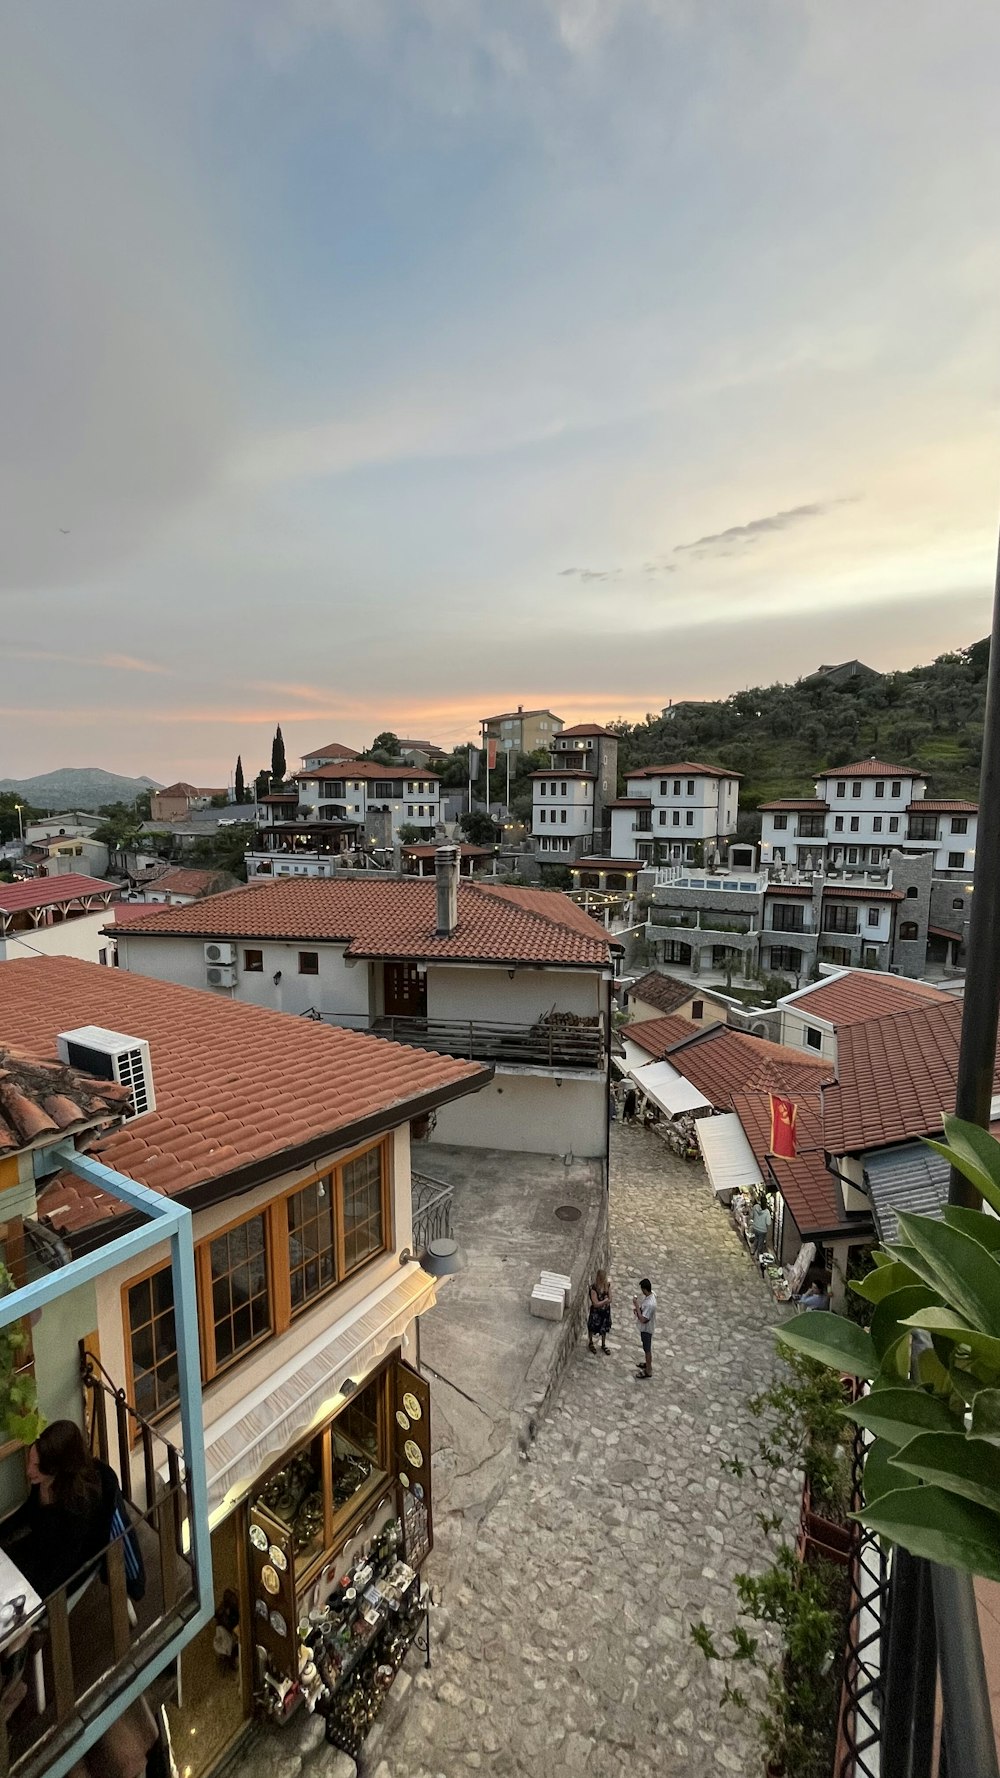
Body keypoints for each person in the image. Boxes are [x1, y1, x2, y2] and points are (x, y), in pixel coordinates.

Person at [1, 1420, 120, 1599]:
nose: (28, 1471)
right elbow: (28, 1512)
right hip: (41, 1548)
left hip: (60, 1569)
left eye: (37, 1467)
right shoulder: (44, 1480)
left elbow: (65, 1566)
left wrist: (37, 1604)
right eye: (30, 1463)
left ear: (57, 1466)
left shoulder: (78, 1507)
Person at [633, 1278, 656, 1379]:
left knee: (647, 1349)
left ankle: (648, 1370)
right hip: (645, 1328)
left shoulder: (650, 1304)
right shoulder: (651, 1296)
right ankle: (647, 1364)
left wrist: (637, 1306)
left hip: (647, 1329)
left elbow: (643, 1319)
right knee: (645, 1347)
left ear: (645, 1289)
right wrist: (640, 1309)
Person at [586, 1270, 612, 1354]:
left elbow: (610, 1298)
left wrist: (605, 1301)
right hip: (596, 1313)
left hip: (605, 1311)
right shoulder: (593, 1288)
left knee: (604, 1328)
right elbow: (595, 1303)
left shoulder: (607, 1286)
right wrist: (605, 1301)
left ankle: (603, 1344)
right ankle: (591, 1342)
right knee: (592, 1327)